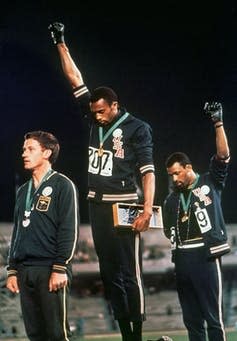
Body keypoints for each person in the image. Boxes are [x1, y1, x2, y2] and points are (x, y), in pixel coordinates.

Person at [48, 22, 156, 341]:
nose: (95, 117)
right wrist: (60, 43)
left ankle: (136, 333)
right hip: (96, 205)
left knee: (129, 273)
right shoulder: (94, 117)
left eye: (101, 111)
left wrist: (147, 209)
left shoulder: (138, 129)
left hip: (124, 206)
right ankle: (124, 333)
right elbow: (75, 79)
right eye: (93, 112)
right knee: (110, 275)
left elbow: (148, 171)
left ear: (114, 105)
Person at [163, 102, 230, 341]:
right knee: (191, 321)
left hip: (205, 255)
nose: (174, 178)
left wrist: (218, 122)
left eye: (177, 173)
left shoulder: (210, 182)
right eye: (170, 174)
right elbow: (166, 229)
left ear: (188, 168)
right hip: (181, 258)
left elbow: (223, 156)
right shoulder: (171, 200)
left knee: (213, 319)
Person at [6, 130, 80, 341]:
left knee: (57, 334)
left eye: (30, 149)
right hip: (24, 270)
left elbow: (69, 230)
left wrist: (60, 267)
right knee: (35, 335)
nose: (24, 154)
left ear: (46, 152)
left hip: (50, 270)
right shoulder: (22, 191)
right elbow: (17, 232)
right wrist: (12, 270)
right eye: (23, 149)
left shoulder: (63, 185)